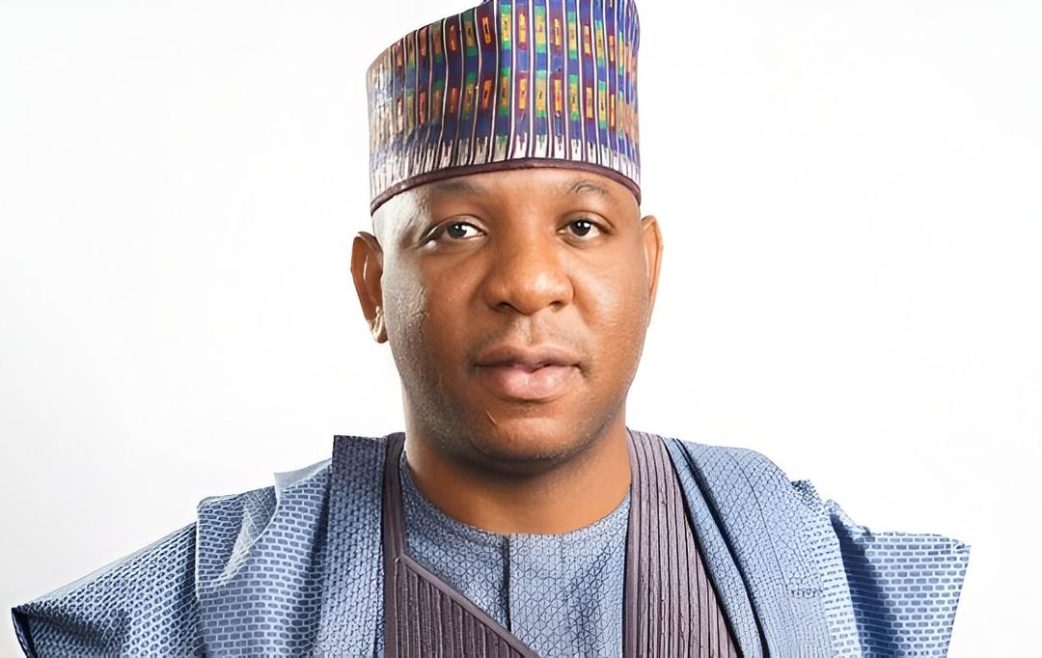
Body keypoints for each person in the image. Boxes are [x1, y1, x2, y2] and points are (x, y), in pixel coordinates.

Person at [11, 0, 969, 656]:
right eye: (457, 230)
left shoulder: (804, 566)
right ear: (372, 284)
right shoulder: (223, 601)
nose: (527, 283)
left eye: (581, 226)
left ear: (648, 267)